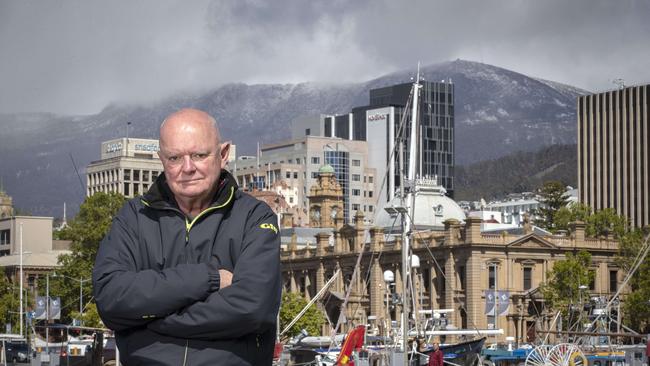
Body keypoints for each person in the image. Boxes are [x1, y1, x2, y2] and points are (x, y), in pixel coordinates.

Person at [93, 108, 282, 365]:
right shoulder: (134, 217)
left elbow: (253, 308)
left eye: (199, 155)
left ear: (223, 154)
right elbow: (111, 300)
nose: (188, 168)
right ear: (161, 160)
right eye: (174, 158)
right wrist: (209, 278)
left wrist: (149, 316)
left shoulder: (255, 217)